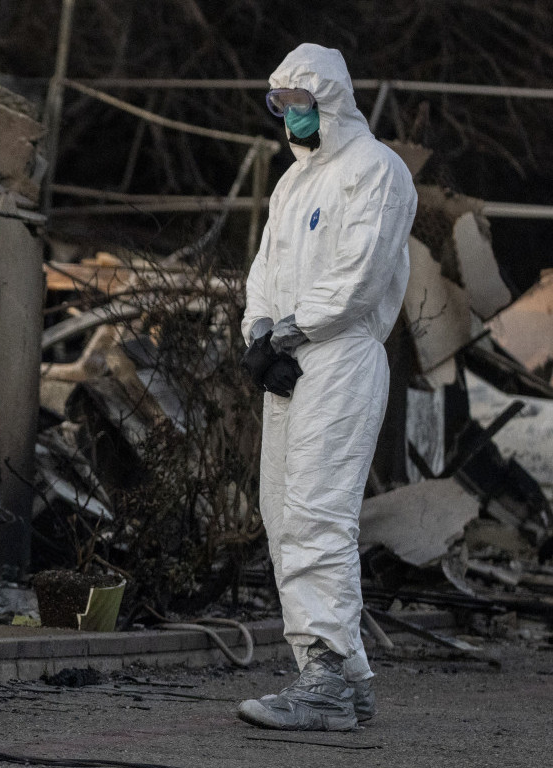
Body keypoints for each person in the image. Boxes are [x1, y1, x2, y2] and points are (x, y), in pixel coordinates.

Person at [237, 43, 417, 731]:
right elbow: (264, 267)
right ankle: (348, 673)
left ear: (331, 102)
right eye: (279, 104)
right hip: (290, 357)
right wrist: (259, 335)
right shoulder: (292, 183)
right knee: (281, 514)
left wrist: (289, 331)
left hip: (338, 357)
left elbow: (359, 276)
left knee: (317, 515)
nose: (289, 116)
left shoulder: (376, 172)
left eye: (300, 103)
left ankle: (326, 678)